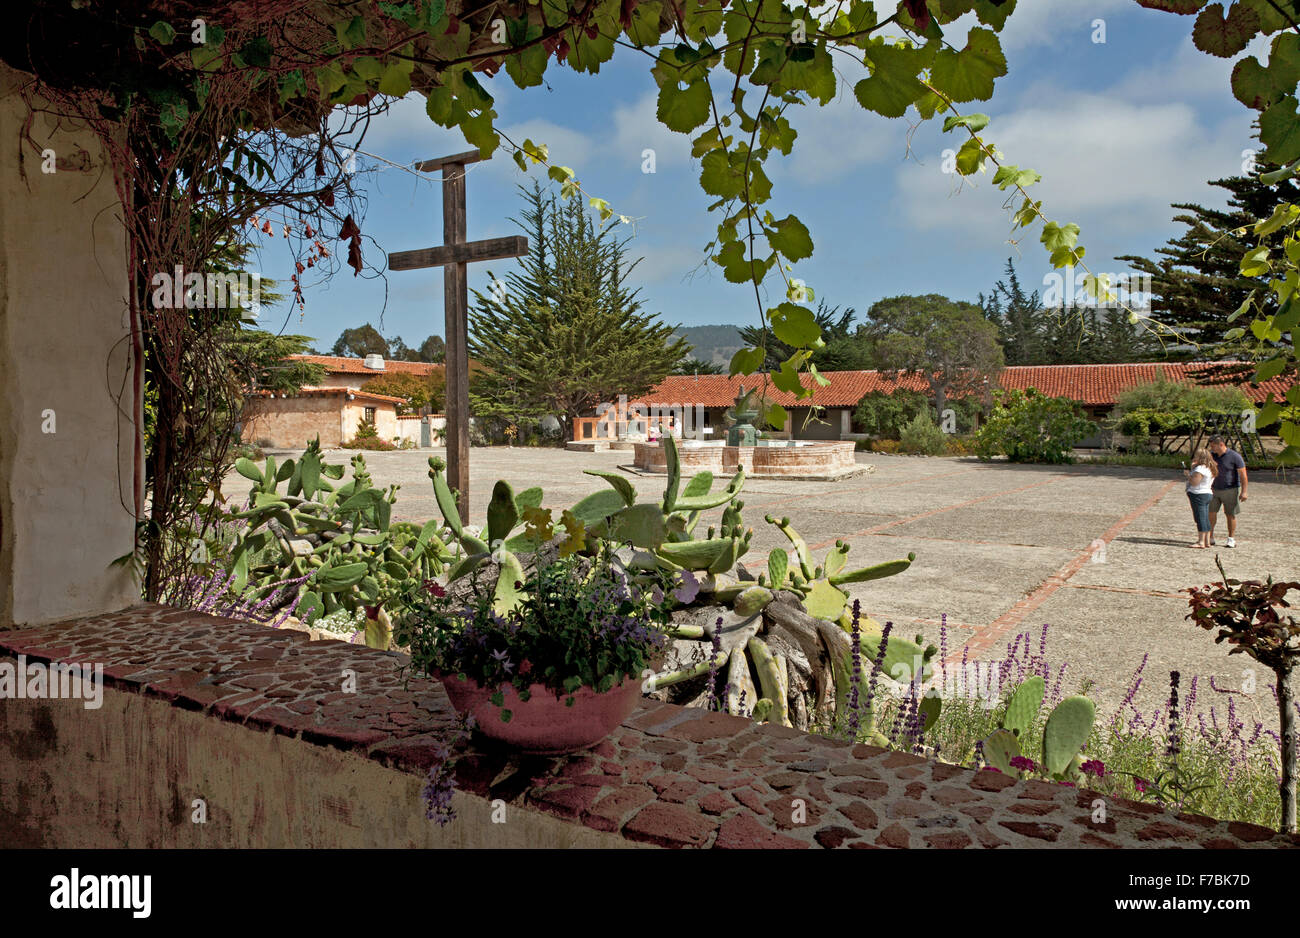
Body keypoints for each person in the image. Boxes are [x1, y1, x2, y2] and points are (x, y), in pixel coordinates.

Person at [1207, 435, 1248, 548]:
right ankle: (1210, 536)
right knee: (1211, 513)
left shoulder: (1235, 456)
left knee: (1230, 514)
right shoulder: (1212, 456)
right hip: (1213, 488)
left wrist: (1244, 491)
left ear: (1221, 444)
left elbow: (1243, 475)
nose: (1212, 448)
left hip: (1230, 489)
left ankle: (1231, 538)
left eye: (1213, 446)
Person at [1185, 447, 1217, 548]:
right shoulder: (1210, 467)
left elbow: (1194, 482)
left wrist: (1188, 475)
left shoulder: (1200, 469)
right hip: (1207, 493)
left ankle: (1201, 541)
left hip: (1198, 494)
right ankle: (1207, 541)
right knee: (1205, 517)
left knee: (1200, 518)